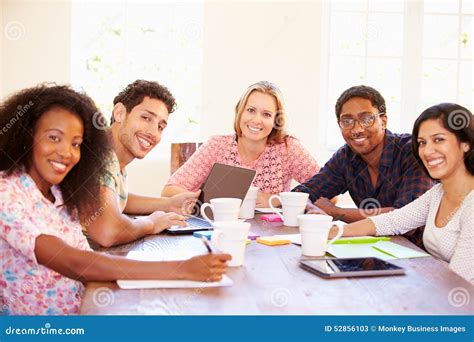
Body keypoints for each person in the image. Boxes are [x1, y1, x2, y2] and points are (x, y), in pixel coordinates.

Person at [0, 84, 231, 315]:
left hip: (84, 308)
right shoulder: (6, 195)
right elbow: (75, 262)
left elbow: (87, 255)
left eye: (76, 144)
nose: (66, 152)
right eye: (54, 137)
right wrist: (182, 269)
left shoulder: (59, 194)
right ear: (26, 134)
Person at [330, 103, 473, 284]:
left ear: (465, 144)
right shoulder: (438, 193)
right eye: (422, 143)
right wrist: (333, 232)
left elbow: (458, 282)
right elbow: (392, 221)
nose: (427, 151)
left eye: (438, 140)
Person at [293, 85, 434, 247]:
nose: (357, 129)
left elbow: (406, 217)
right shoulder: (346, 156)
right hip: (373, 249)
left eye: (367, 118)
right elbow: (302, 193)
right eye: (347, 121)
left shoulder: (412, 151)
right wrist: (314, 211)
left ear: (383, 121)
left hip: (419, 254)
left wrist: (337, 213)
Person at [161, 81, 320, 207]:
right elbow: (169, 191)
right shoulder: (217, 146)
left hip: (273, 237)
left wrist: (278, 200)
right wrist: (210, 200)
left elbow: (328, 196)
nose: (256, 120)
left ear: (276, 121)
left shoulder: (288, 148)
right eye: (250, 110)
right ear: (240, 111)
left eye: (266, 114)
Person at [86, 80, 201, 248]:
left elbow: (117, 199)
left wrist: (168, 204)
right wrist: (151, 223)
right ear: (119, 112)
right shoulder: (100, 157)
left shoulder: (114, 158)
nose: (153, 132)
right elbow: (108, 231)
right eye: (146, 118)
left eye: (161, 127)